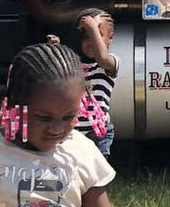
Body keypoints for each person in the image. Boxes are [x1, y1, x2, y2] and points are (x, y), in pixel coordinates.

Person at [0, 42, 115, 207]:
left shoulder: (82, 152)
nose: (57, 129)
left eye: (68, 117)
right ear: (15, 106)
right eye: (44, 118)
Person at [48, 8, 118, 157]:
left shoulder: (109, 64)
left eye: (98, 35)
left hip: (97, 133)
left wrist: (92, 27)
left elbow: (102, 58)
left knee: (95, 176)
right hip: (73, 133)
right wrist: (56, 49)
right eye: (86, 36)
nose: (91, 41)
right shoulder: (76, 65)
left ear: (111, 38)